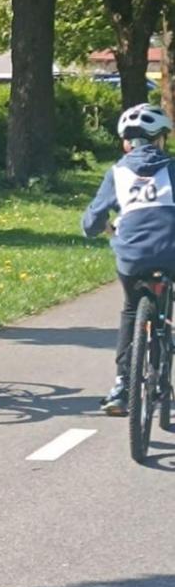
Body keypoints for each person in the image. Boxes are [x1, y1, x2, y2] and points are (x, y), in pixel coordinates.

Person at [81, 101, 175, 415]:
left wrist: (109, 229)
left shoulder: (117, 172)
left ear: (125, 142)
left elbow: (91, 222)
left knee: (132, 308)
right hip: (171, 252)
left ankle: (122, 385)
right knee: (165, 312)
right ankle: (163, 374)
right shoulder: (171, 168)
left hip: (131, 255)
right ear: (161, 138)